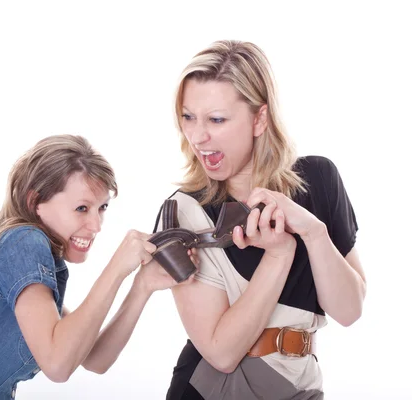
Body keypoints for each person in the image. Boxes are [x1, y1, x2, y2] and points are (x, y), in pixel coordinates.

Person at [0, 134, 196, 400]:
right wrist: (116, 267)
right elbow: (58, 364)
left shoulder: (32, 260)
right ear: (36, 203)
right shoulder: (23, 241)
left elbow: (95, 359)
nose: (96, 225)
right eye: (82, 208)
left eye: (102, 208)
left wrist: (141, 285)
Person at [153, 40, 367, 400]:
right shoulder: (183, 212)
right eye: (188, 117)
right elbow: (221, 352)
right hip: (213, 389)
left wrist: (314, 232)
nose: (198, 136)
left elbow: (349, 311)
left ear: (259, 118)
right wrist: (280, 254)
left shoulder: (319, 179)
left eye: (216, 119)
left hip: (301, 385)